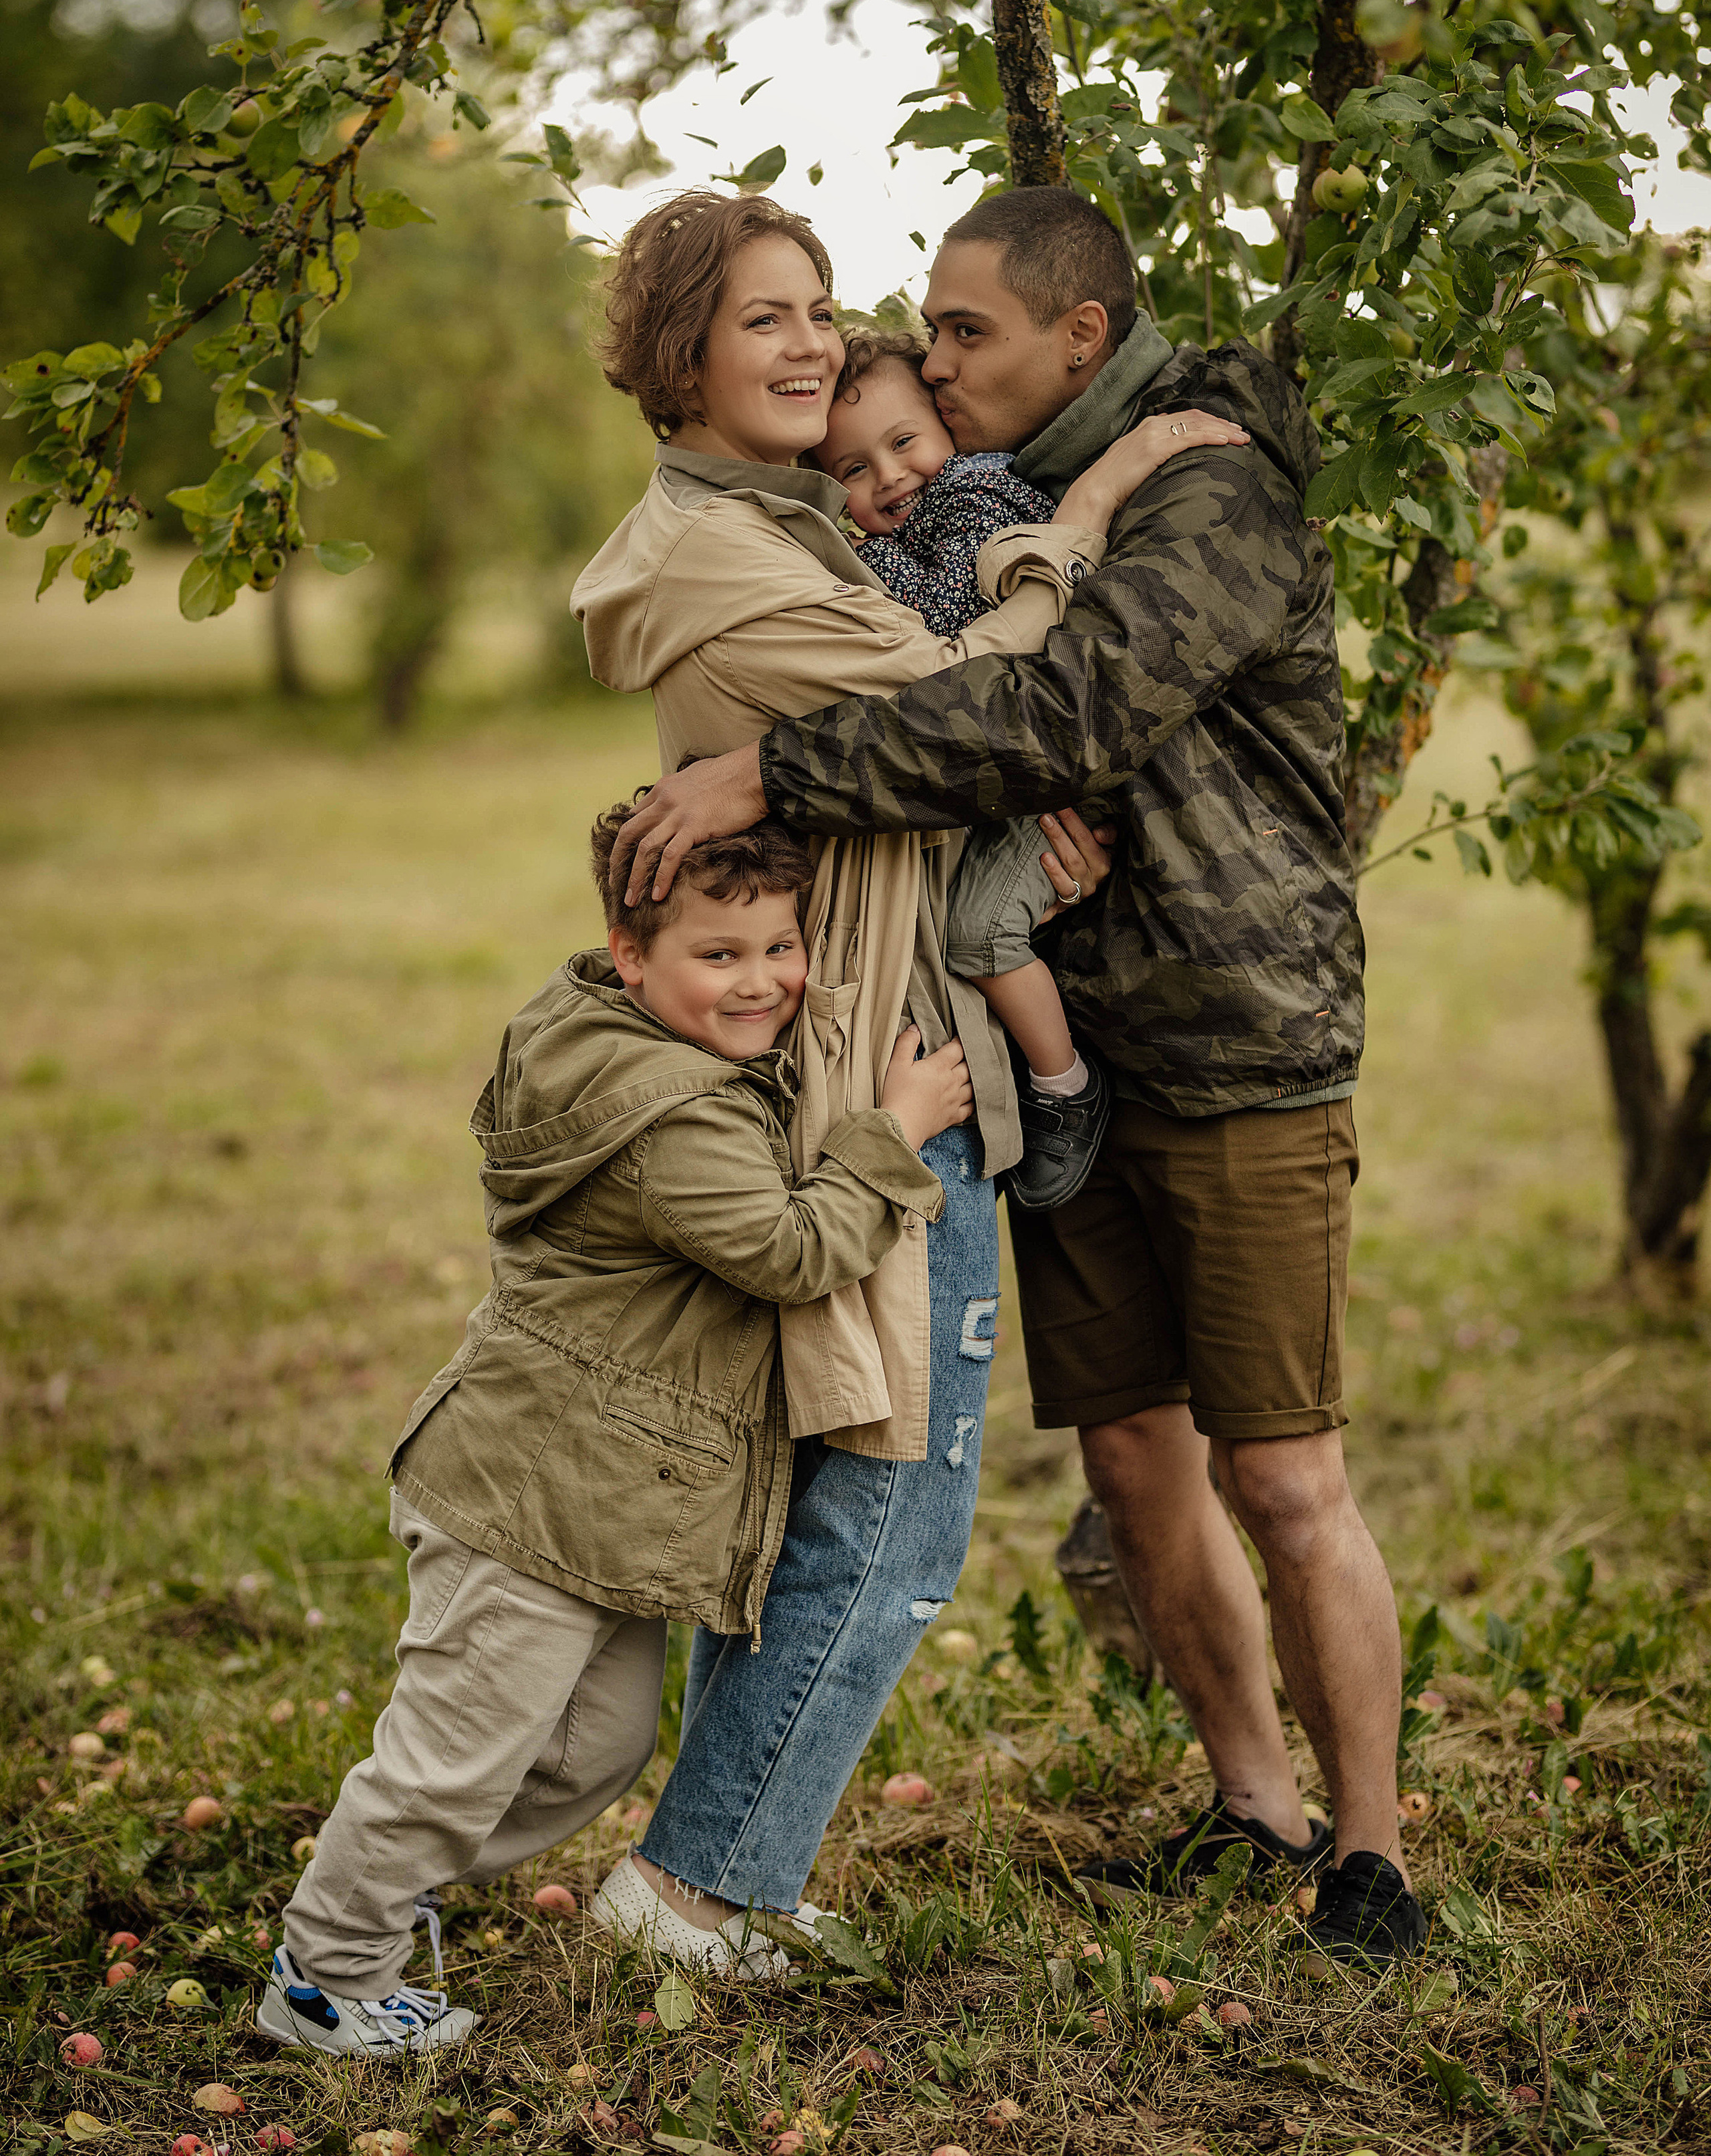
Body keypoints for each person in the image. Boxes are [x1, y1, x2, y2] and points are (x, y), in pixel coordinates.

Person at [606, 184, 1427, 1966]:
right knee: (1133, 1463)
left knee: (1286, 1479)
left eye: (963, 331)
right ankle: (1254, 1808)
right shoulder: (979, 494)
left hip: (1232, 1042)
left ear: (1080, 331)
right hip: (1061, 1058)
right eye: (924, 328)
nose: (924, 359)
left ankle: (1371, 1856)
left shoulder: (1207, 486)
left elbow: (1060, 714)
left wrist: (777, 772)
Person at [258, 806, 964, 2056]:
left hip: (602, 1499)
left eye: (781, 947)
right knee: (454, 1757)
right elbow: (792, 1250)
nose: (761, 982)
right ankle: (327, 1968)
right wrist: (893, 1130)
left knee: (593, 1751)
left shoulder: (629, 1035)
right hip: (532, 1492)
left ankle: (384, 1880)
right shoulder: (671, 1115)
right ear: (630, 955)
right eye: (719, 955)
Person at [811, 326, 1243, 1209]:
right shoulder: (914, 520)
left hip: (1046, 769)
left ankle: (1064, 1085)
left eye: (903, 441)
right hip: (1006, 769)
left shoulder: (976, 493)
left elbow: (950, 631)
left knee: (976, 932)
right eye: (853, 469)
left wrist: (857, 567)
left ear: (947, 424)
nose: (888, 476)